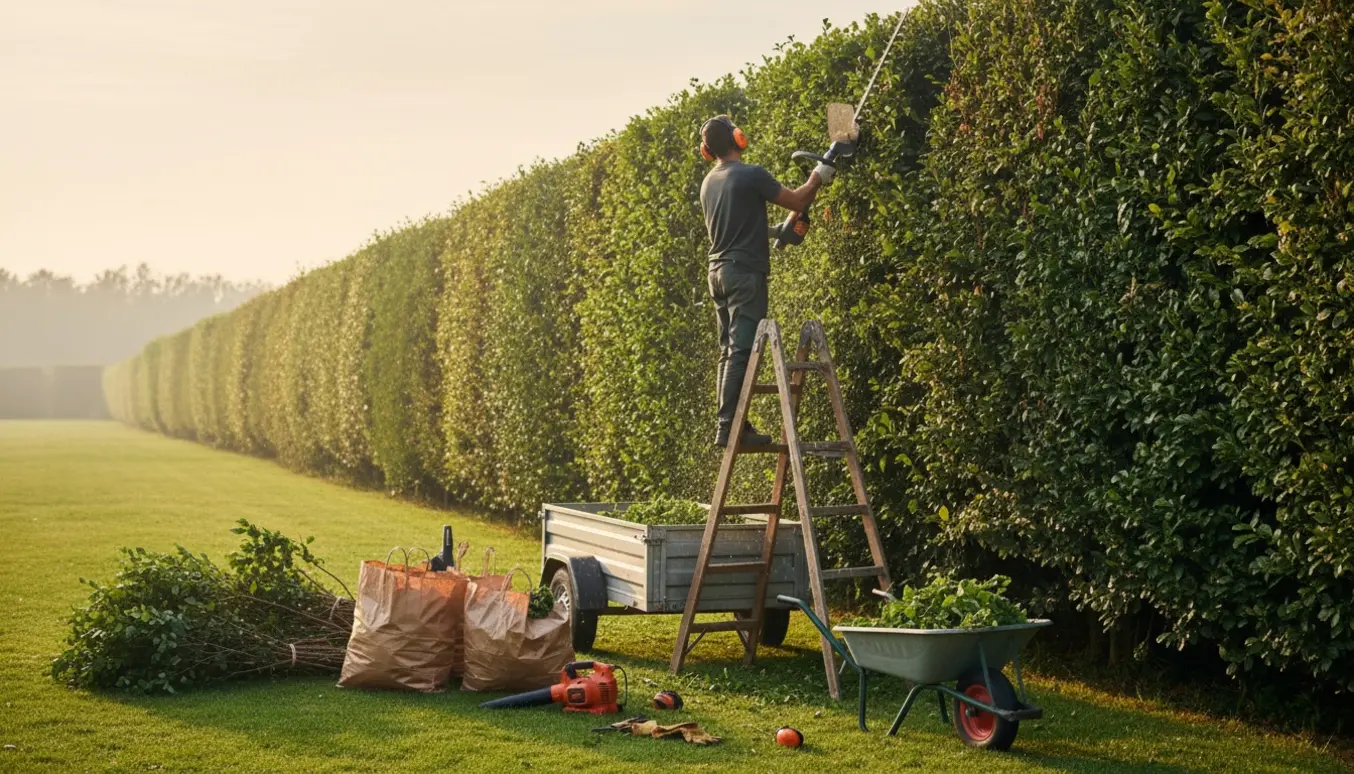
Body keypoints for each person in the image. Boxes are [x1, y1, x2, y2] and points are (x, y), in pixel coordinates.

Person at [698, 114, 834, 448]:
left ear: (707, 150)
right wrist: (819, 175)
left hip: (718, 272)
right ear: (737, 138)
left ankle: (731, 425)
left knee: (727, 351)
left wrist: (779, 231)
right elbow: (798, 200)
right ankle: (729, 427)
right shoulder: (750, 174)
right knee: (740, 351)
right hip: (744, 274)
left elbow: (736, 227)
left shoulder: (709, 182)